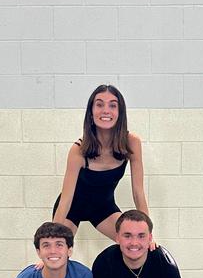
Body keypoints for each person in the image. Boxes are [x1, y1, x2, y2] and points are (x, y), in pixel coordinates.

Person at [52, 84, 149, 242]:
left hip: (104, 208)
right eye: (99, 105)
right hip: (72, 208)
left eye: (112, 105)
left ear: (120, 113)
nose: (106, 110)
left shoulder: (131, 142)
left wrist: (147, 232)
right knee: (57, 248)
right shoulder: (78, 150)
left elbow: (138, 192)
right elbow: (66, 200)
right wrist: (52, 238)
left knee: (136, 242)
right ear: (91, 113)